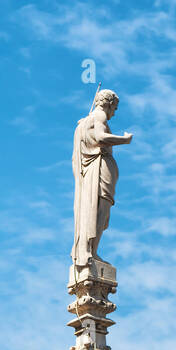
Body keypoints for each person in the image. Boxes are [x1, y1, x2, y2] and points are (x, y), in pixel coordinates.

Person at [72, 92, 131, 269]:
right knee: (99, 210)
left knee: (98, 211)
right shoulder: (99, 117)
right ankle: (90, 250)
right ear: (109, 104)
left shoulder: (85, 122)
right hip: (99, 171)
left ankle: (90, 249)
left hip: (96, 170)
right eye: (115, 108)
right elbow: (100, 138)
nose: (114, 113)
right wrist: (124, 139)